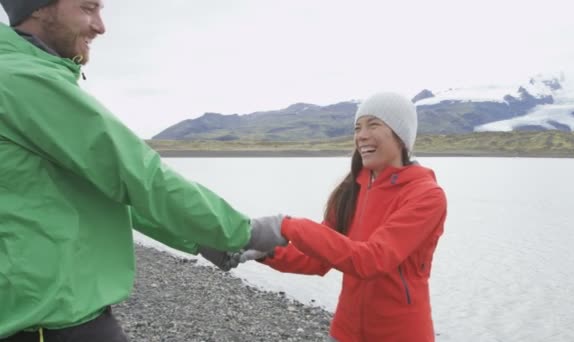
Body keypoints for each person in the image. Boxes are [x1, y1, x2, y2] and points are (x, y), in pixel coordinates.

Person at [0, 1, 282, 340]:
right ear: (40, 8)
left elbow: (102, 184)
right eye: (88, 8)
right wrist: (242, 231)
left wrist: (201, 239)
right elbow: (138, 174)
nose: (100, 26)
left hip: (58, 311)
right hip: (48, 319)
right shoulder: (23, 79)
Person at [237, 92, 448, 341]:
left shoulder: (426, 196)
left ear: (401, 135)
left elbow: (371, 260)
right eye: (358, 127)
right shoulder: (351, 189)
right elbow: (316, 260)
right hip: (344, 333)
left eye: (374, 124)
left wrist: (287, 226)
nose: (362, 135)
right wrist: (265, 252)